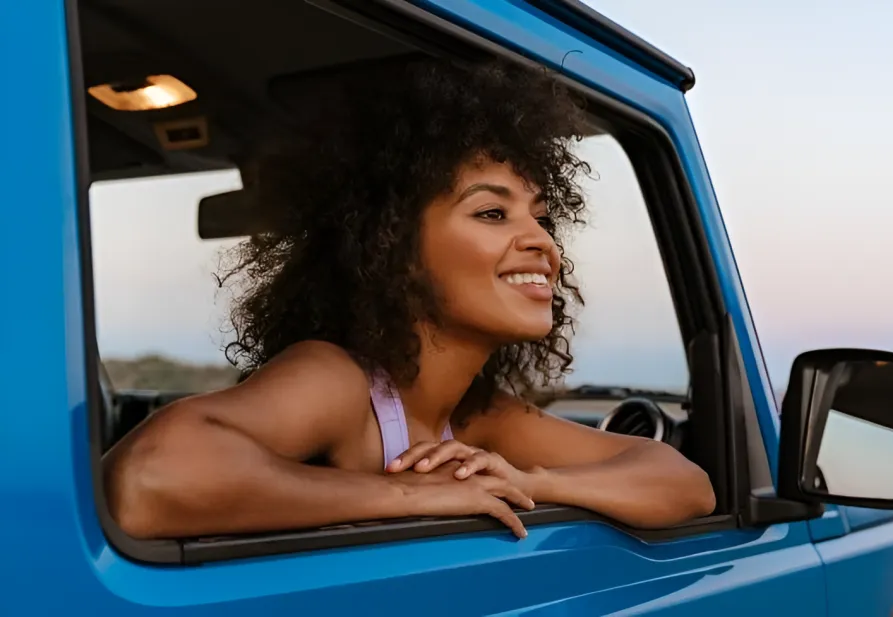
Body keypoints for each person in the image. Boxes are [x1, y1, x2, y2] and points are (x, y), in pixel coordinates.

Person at [102, 56, 716, 540]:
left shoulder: (479, 416)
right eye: (492, 212)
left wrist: (535, 482)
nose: (542, 244)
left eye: (541, 218)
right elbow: (149, 476)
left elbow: (684, 484)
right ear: (394, 248)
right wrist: (412, 495)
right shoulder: (338, 379)